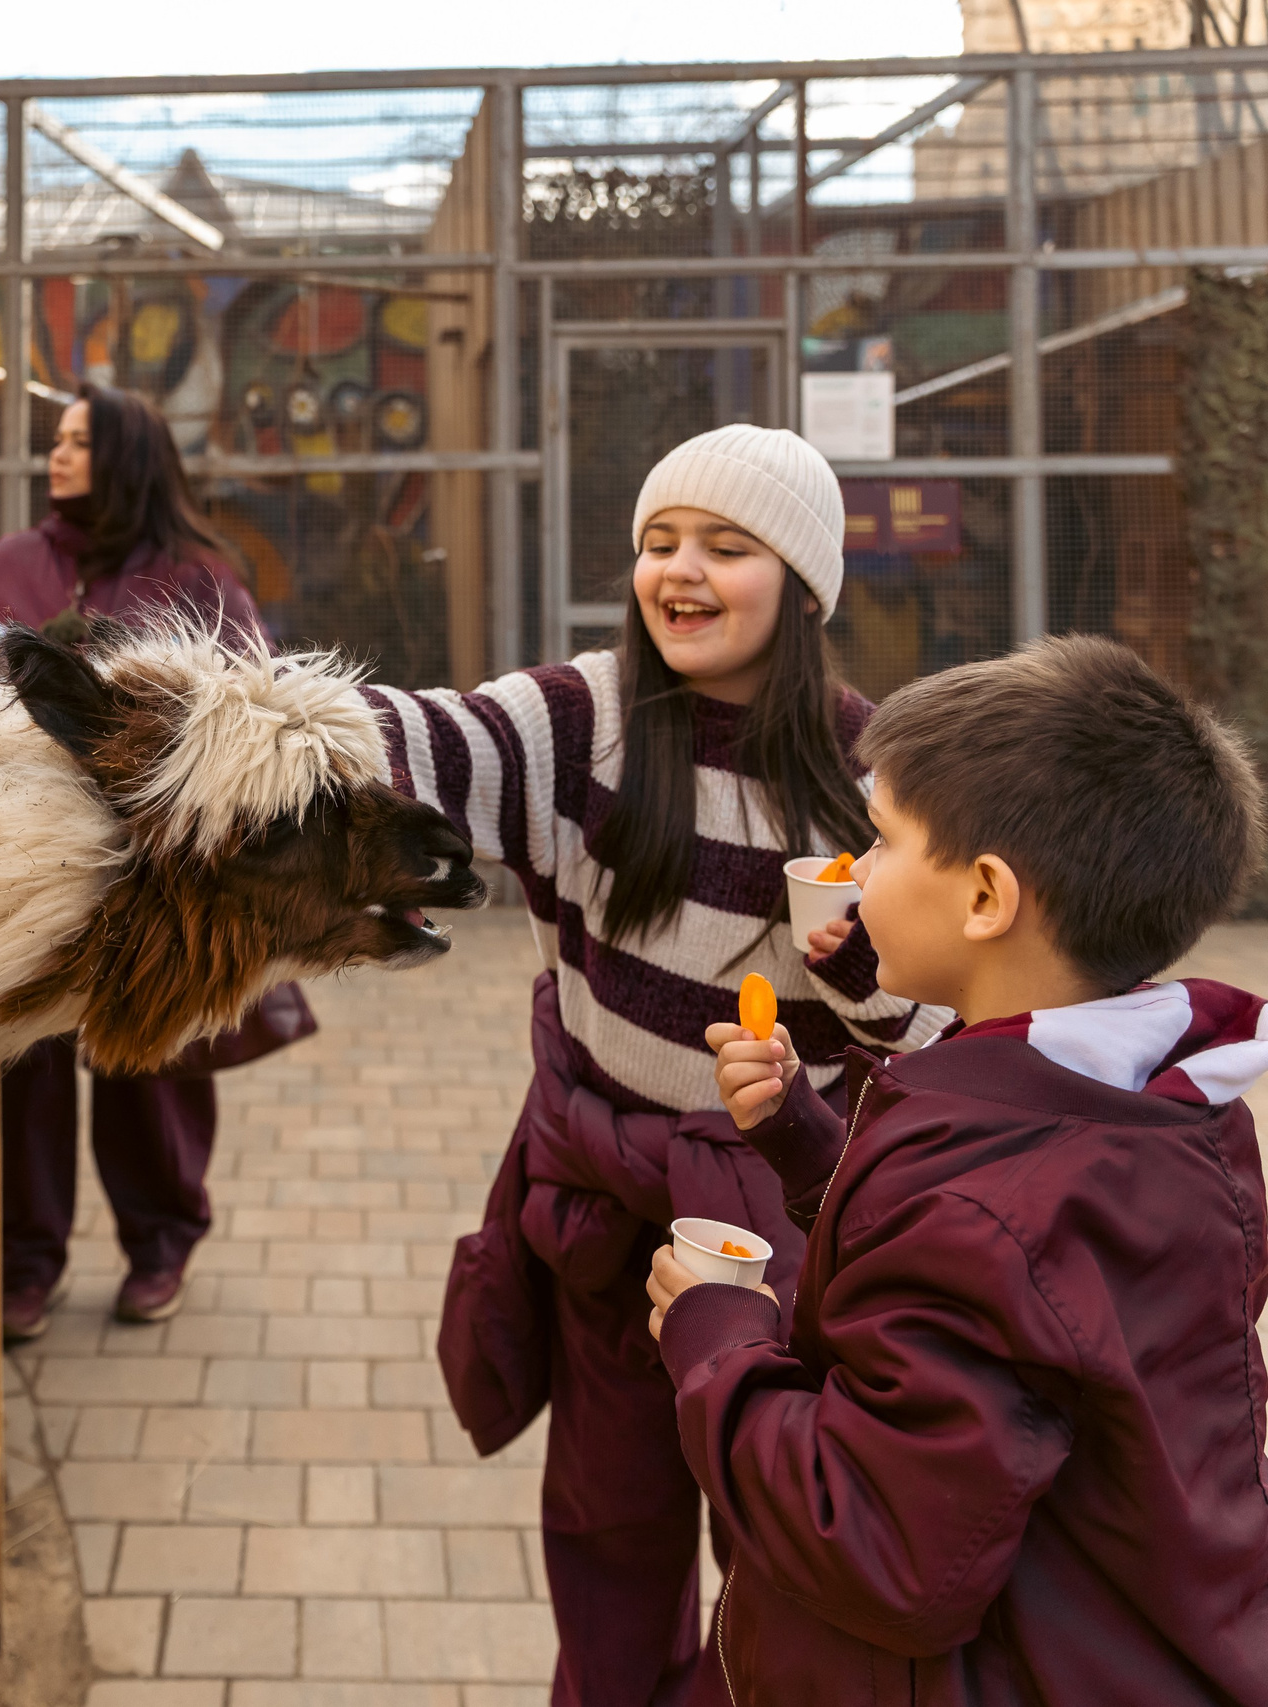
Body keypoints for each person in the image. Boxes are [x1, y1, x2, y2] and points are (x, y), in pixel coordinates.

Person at [384, 423, 952, 1707]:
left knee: (783, 1559)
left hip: (782, 1242)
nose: (678, 571)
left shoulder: (880, 781)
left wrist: (856, 973)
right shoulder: (576, 721)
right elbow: (417, 745)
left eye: (726, 546)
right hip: (599, 1218)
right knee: (607, 1537)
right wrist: (235, 725)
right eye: (657, 541)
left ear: (802, 586)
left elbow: (930, 1042)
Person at [658, 636, 1268, 1706]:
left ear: (986, 897)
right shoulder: (1153, 1104)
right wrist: (808, 1143)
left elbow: (881, 1547)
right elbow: (1021, 1299)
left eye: (882, 842)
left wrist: (718, 1339)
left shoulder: (988, 1204)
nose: (851, 872)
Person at [0, 384, 278, 1336]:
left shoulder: (199, 576)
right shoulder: (10, 564)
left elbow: (251, 710)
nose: (58, 455)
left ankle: (161, 1244)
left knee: (153, 1066)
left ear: (129, 453)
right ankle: (23, 1262)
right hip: (22, 869)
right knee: (24, 1066)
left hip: (155, 876)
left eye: (80, 441)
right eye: (55, 439)